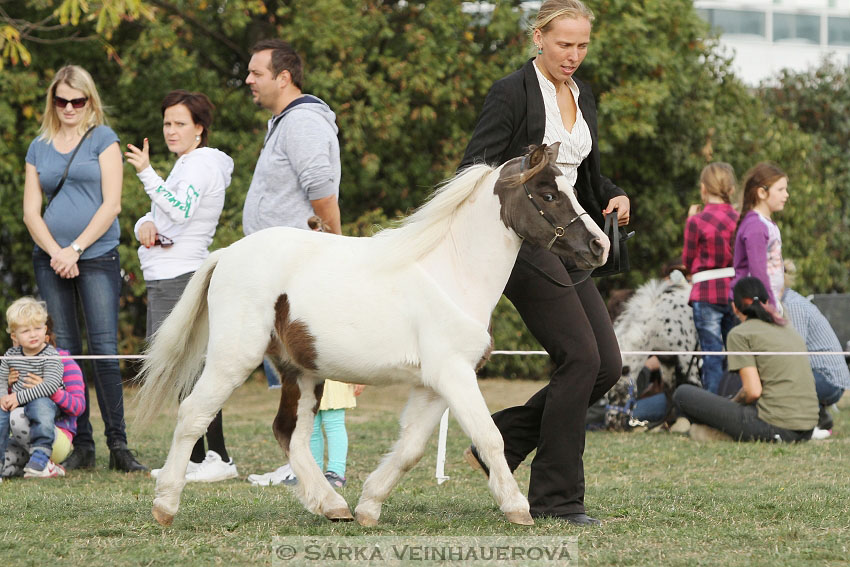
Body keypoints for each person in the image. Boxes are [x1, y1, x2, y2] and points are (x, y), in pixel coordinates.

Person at [458, 0, 628, 525]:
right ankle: (557, 499)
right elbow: (473, 169)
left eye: (581, 45)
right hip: (522, 242)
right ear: (539, 38)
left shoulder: (582, 94)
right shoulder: (512, 92)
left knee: (606, 365)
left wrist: (615, 194)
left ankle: (502, 440)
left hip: (572, 237)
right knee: (579, 356)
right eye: (563, 44)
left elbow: (584, 175)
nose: (573, 55)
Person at [23, 65, 146, 472]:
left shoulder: (103, 139)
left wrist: (74, 249)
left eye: (79, 100)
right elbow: (30, 212)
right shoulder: (39, 146)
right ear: (53, 102)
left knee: (105, 350)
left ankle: (119, 446)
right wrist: (56, 252)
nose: (70, 107)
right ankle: (82, 444)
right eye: (63, 101)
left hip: (96, 256)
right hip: (50, 257)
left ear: (90, 100)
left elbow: (112, 204)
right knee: (66, 355)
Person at [241, 38, 344, 481]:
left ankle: (312, 466)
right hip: (279, 269)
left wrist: (335, 250)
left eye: (255, 73)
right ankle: (299, 463)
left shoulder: (301, 122)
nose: (248, 80)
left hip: (297, 272)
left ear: (284, 78)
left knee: (305, 374)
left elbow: (322, 192)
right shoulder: (285, 122)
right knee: (291, 377)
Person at [125, 90, 236, 482]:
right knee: (181, 367)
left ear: (199, 129)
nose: (171, 131)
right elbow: (163, 214)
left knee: (192, 368)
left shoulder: (199, 165)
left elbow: (181, 210)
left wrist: (145, 171)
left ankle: (218, 457)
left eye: (180, 124)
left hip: (180, 275)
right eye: (167, 123)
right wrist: (143, 225)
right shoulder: (186, 165)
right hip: (165, 274)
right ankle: (195, 457)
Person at [672, 277, 818, 442]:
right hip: (807, 428)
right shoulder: (788, 329)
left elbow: (753, 391)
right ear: (767, 301)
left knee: (682, 393)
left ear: (734, 307)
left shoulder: (739, 334)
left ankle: (709, 431)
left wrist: (734, 402)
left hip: (776, 426)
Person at [683, 162, 740, 394]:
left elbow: (688, 260)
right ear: (732, 189)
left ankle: (713, 409)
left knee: (711, 353)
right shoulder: (740, 218)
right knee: (735, 353)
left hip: (706, 293)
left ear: (703, 189)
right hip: (734, 292)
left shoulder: (696, 221)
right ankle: (734, 403)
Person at [3, 328, 86, 478]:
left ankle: (44, 461)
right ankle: (35, 468)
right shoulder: (16, 363)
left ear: (44, 337)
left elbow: (78, 408)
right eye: (15, 339)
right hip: (22, 441)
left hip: (56, 440)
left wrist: (50, 389)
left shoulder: (64, 362)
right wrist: (7, 386)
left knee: (18, 416)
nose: (15, 346)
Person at [781, 261, 849, 439]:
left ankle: (816, 419)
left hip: (829, 380)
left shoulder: (791, 304)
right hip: (820, 374)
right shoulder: (785, 302)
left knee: (782, 380)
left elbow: (795, 353)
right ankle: (817, 413)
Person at [0, 298, 66, 478]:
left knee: (40, 404)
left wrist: (18, 398)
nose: (33, 334)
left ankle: (42, 454)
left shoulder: (51, 355)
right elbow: (2, 379)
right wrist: (3, 397)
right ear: (14, 336)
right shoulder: (10, 355)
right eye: (26, 330)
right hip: (17, 406)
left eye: (37, 328)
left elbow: (51, 385)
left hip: (44, 405)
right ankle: (6, 464)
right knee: (1, 413)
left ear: (45, 329)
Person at [730, 162, 789, 314]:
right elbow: (758, 271)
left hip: (766, 301)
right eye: (781, 189)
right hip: (755, 303)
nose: (786, 194)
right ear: (762, 193)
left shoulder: (765, 224)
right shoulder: (755, 226)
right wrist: (769, 305)